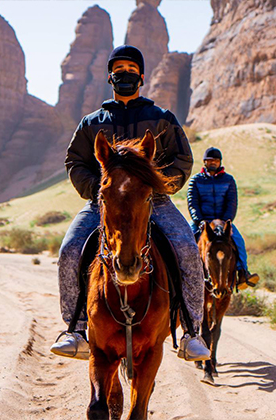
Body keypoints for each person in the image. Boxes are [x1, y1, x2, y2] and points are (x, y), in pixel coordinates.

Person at [50, 45, 210, 362]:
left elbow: (182, 160)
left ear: (141, 76)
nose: (125, 75)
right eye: (119, 70)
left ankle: (192, 332)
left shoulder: (162, 119)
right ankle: (76, 330)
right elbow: (75, 162)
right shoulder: (91, 123)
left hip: (155, 202)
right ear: (110, 77)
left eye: (131, 70)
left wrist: (156, 187)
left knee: (188, 250)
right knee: (69, 250)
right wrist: (102, 189)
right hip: (105, 205)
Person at [187, 147, 259, 289]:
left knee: (238, 241)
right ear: (204, 162)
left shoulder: (229, 180)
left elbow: (232, 203)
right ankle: (182, 273)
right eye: (210, 160)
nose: (213, 163)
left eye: (216, 160)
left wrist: (226, 221)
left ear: (220, 162)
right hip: (202, 222)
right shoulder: (195, 180)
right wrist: (199, 221)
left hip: (223, 221)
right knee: (185, 241)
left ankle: (242, 272)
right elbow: (192, 203)